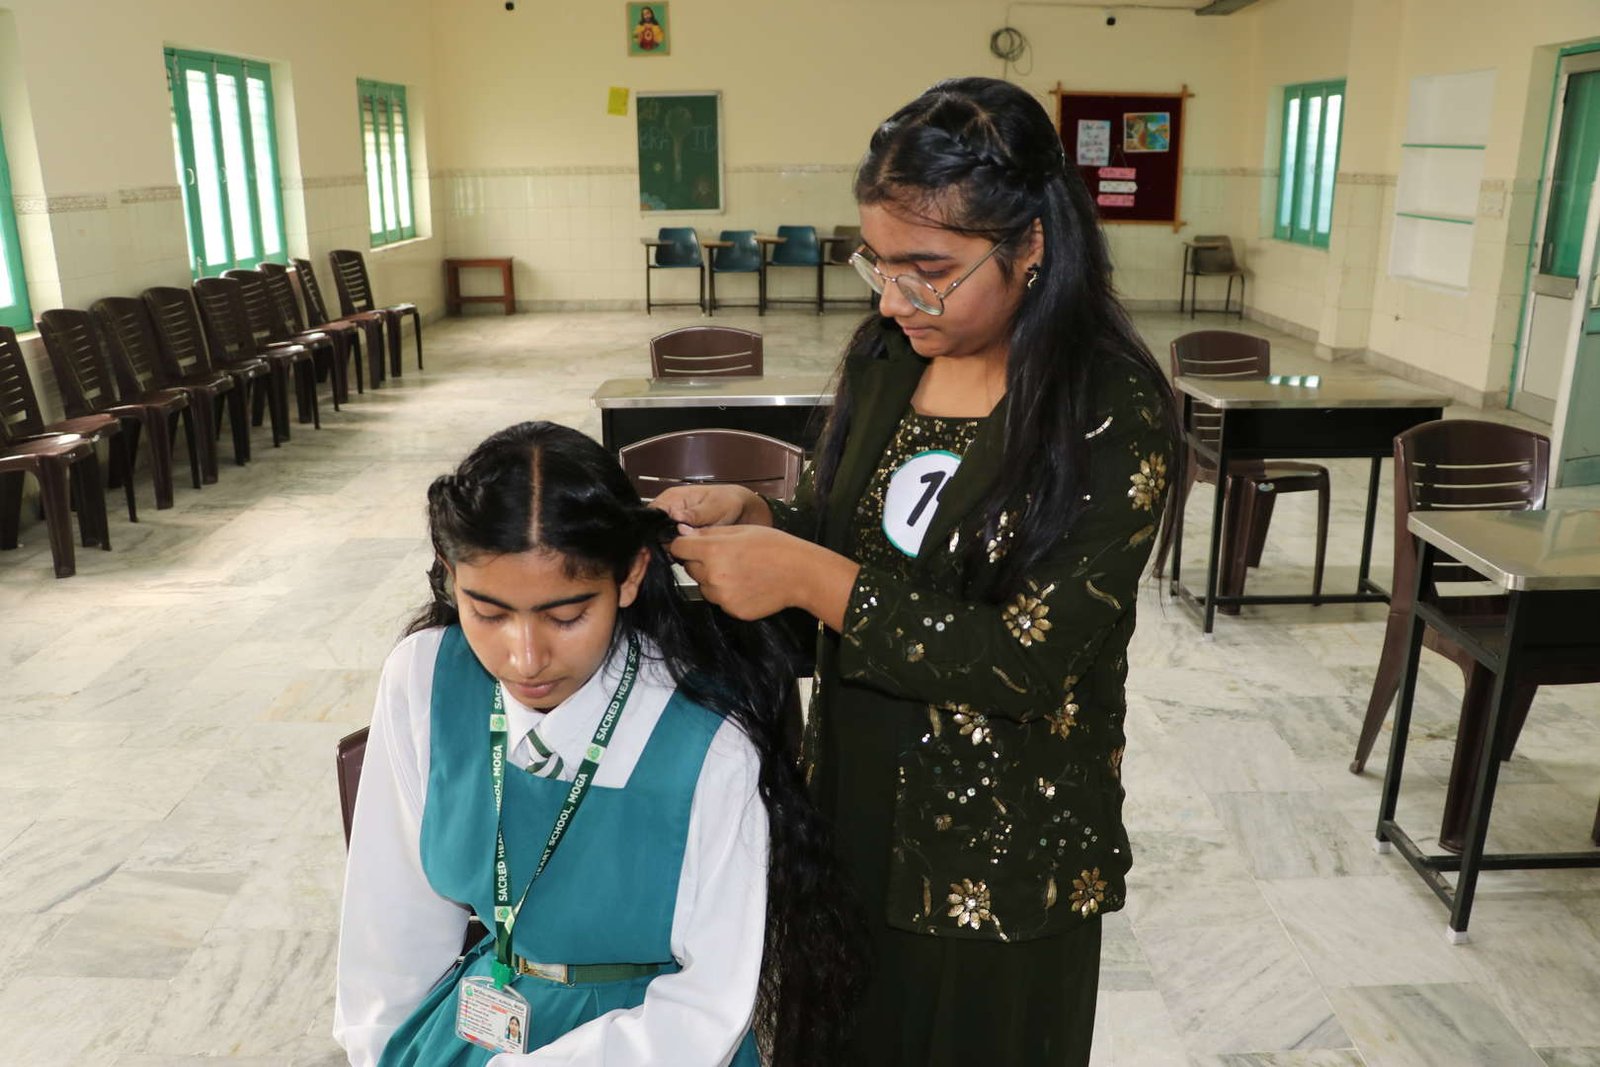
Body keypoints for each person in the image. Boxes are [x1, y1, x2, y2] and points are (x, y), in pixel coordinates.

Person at [659, 77, 1176, 1066]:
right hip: (853, 805)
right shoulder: (891, 356)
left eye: (928, 269)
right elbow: (858, 537)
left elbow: (1026, 661)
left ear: (1031, 244)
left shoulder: (1105, 409)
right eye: (880, 264)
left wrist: (808, 575)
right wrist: (767, 521)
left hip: (999, 855)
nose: (895, 299)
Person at [334, 422, 860, 1066]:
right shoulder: (423, 677)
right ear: (450, 577)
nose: (525, 657)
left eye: (566, 617)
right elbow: (390, 931)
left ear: (630, 577)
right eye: (489, 613)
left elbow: (708, 1007)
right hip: (478, 1030)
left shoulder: (708, 738)